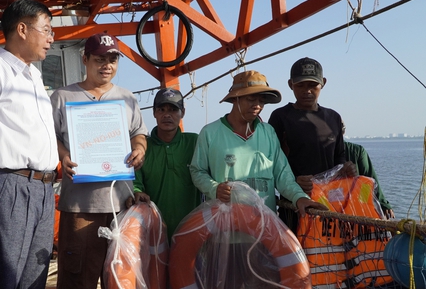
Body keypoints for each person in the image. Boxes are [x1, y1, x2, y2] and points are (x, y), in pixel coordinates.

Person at [189, 70, 326, 287]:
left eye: (261, 100)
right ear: (235, 98)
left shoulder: (268, 133)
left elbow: (283, 175)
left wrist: (301, 199)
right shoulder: (210, 133)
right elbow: (197, 171)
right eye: (251, 98)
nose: (258, 105)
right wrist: (214, 189)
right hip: (226, 236)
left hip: (265, 234)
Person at [0, 0, 59, 289]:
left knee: (34, 277)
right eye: (46, 30)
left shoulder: (34, 76)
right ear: (22, 29)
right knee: (0, 277)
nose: (51, 38)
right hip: (7, 188)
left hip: (43, 190)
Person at [50, 33, 148, 289]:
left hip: (120, 205)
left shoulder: (127, 97)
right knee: (76, 276)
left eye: (113, 59)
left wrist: (139, 148)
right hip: (80, 206)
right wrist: (64, 155)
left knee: (120, 277)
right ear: (85, 59)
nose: (107, 65)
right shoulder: (62, 96)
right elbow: (49, 137)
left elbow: (139, 132)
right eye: (100, 59)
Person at [268, 57, 356, 230]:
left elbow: (339, 156)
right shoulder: (280, 117)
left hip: (329, 205)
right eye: (300, 85)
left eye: (312, 85)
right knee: (295, 255)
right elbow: (269, 163)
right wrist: (293, 181)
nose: (307, 91)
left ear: (323, 83)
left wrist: (346, 169)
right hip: (293, 204)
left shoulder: (333, 117)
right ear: (290, 84)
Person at [130, 88, 201, 240]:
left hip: (192, 232)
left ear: (183, 112)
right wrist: (137, 191)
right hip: (153, 234)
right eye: (161, 109)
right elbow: (135, 183)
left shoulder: (195, 142)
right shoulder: (142, 148)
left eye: (173, 110)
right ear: (154, 113)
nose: (167, 115)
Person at [342, 121, 395, 218]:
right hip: (354, 209)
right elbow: (370, 178)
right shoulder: (356, 150)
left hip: (332, 207)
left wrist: (383, 204)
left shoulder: (356, 151)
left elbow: (369, 178)